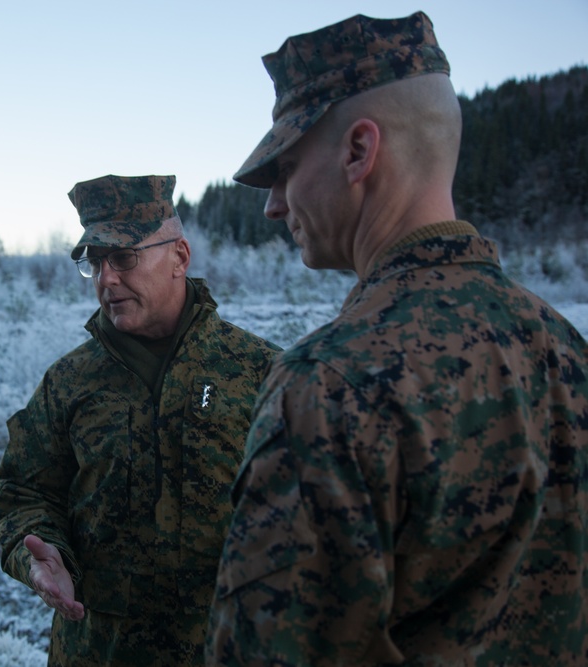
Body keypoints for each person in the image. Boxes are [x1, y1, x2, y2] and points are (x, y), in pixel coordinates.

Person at [207, 11, 588, 666]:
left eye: (286, 168)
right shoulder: (565, 348)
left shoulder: (327, 384)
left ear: (359, 152)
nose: (273, 205)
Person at [0, 174, 281, 666]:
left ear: (180, 257)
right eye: (95, 262)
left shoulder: (259, 370)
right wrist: (39, 556)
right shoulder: (68, 382)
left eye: (124, 258)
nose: (106, 278)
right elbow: (25, 492)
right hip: (99, 651)